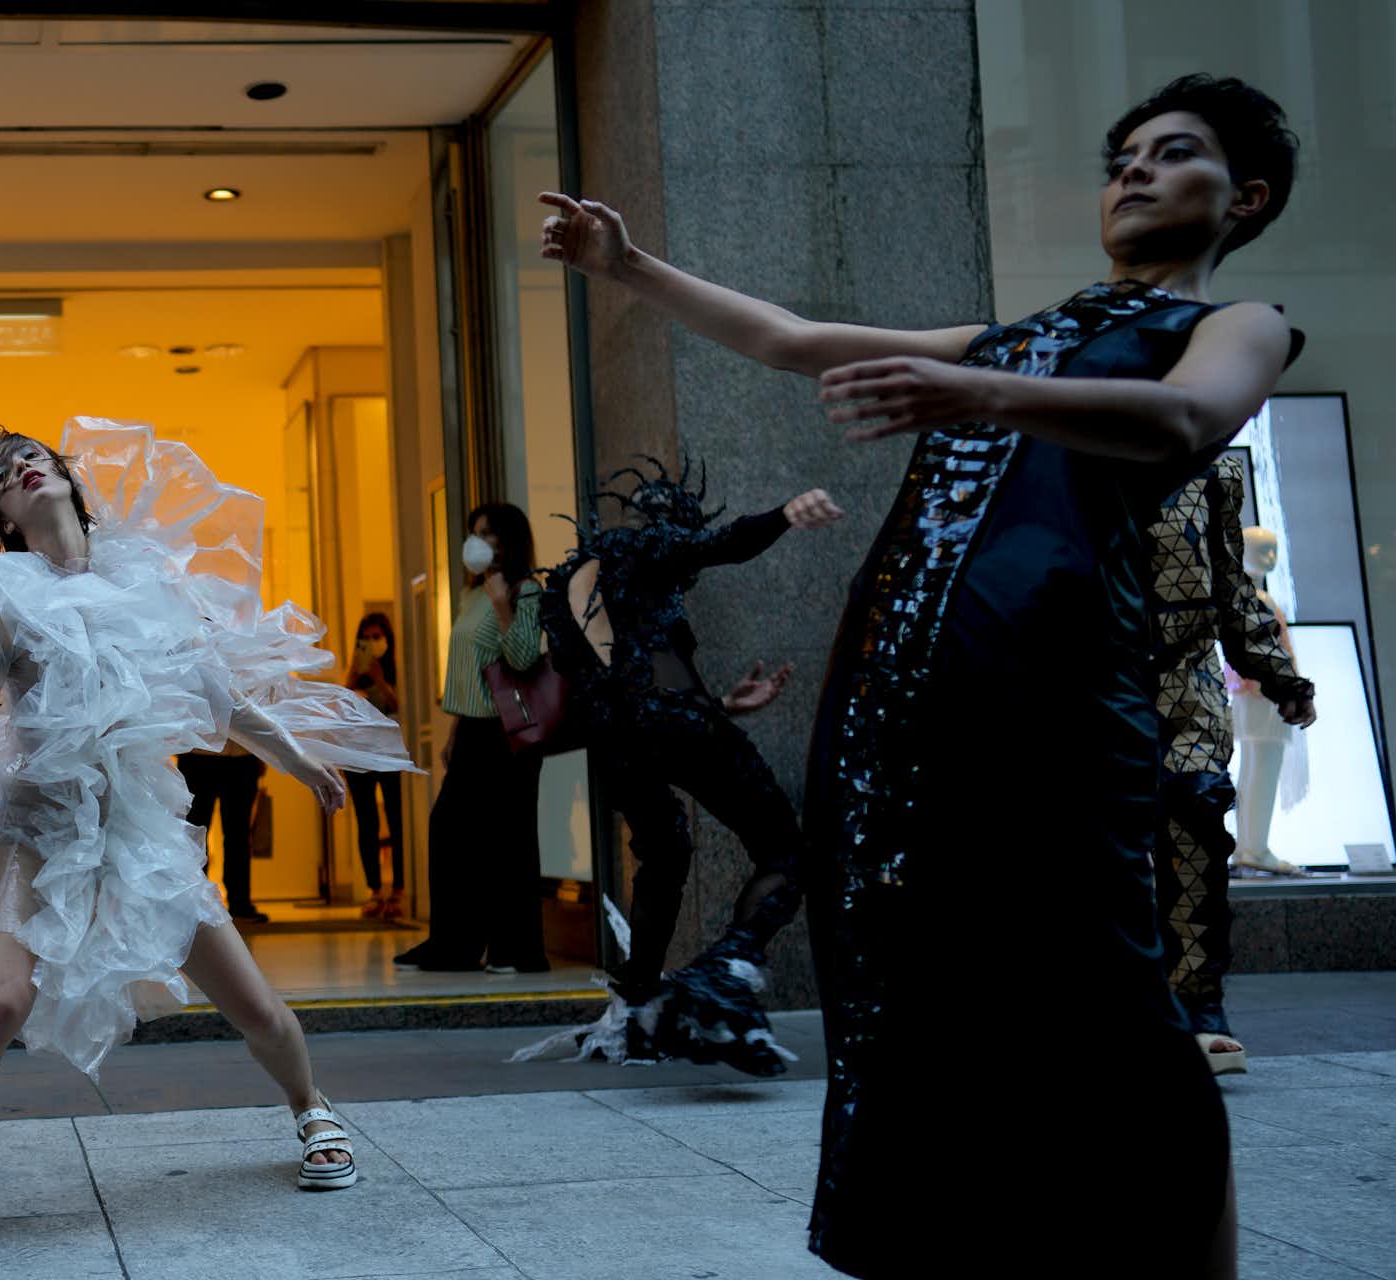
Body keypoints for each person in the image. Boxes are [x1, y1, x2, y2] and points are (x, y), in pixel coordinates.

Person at [542, 72, 1304, 1276]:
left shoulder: (1231, 321)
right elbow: (791, 341)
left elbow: (1180, 422)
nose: (1134, 171)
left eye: (1174, 154)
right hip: (896, 713)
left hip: (1059, 704)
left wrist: (972, 389)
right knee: (919, 1006)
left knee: (1121, 1014)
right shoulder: (1016, 338)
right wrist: (625, 267)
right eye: (1122, 156)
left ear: (1243, 196)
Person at [0, 419, 415, 1258]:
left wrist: (300, 759)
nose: (21, 468)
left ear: (64, 477)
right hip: (32, 824)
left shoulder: (144, 581)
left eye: (30, 457)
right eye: (0, 476)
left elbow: (219, 697)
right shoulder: (3, 604)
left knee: (253, 1005)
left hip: (134, 822)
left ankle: (312, 1109)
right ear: (3, 517)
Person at [511, 460, 840, 1077]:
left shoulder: (578, 581)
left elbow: (621, 682)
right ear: (669, 524)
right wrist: (786, 515)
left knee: (665, 856)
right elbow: (721, 544)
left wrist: (722, 702)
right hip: (676, 729)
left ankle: (637, 1012)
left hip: (624, 744)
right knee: (787, 853)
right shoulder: (646, 542)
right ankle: (724, 974)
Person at [1147, 454, 1314, 1073]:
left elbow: (1229, 582)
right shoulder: (1065, 448)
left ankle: (1197, 1004)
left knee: (1195, 816)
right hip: (1094, 678)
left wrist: (1278, 675)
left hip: (1187, 681)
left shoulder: (1210, 469)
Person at [392, 502, 551, 974]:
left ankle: (516, 949)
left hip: (506, 735)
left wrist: (504, 604)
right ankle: (452, 944)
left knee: (508, 840)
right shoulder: (471, 595)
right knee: (451, 833)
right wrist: (454, 728)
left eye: (487, 533)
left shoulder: (526, 592)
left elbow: (523, 658)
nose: (477, 541)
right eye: (473, 532)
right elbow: (467, 669)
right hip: (473, 729)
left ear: (509, 540)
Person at [345, 613, 406, 920]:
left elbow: (399, 705)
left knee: (397, 818)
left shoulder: (398, 666)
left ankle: (399, 889)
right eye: (365, 637)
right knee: (366, 820)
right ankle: (375, 890)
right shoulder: (357, 668)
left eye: (377, 636)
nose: (372, 642)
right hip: (359, 749)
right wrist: (355, 676)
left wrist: (381, 679)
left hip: (390, 750)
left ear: (388, 639)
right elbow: (345, 703)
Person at [178, 743, 268, 921]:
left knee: (238, 835)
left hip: (237, 756)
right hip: (201, 755)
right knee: (196, 834)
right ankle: (196, 901)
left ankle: (239, 902)